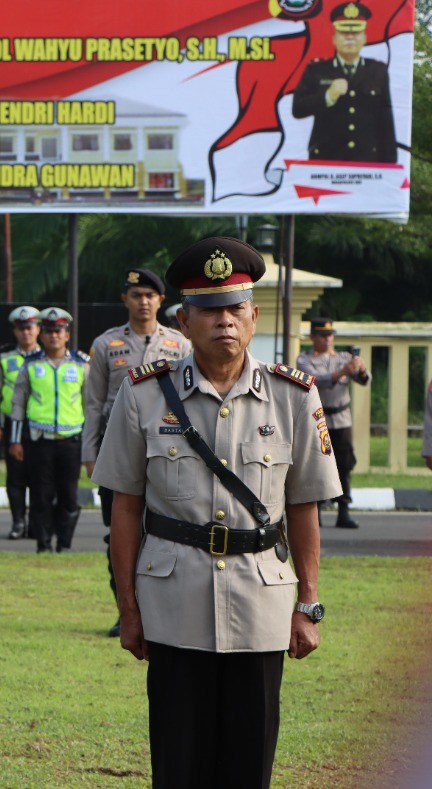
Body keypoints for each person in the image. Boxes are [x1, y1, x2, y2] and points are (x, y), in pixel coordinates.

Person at [94, 235, 339, 789]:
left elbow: (304, 508)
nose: (223, 322)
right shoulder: (143, 396)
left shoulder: (294, 397)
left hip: (261, 606)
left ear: (253, 316)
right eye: (208, 310)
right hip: (173, 605)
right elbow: (125, 510)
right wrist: (128, 608)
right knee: (179, 764)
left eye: (234, 309)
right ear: (184, 320)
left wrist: (310, 603)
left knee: (249, 765)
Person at [83, 269, 190, 636]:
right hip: (117, 453)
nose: (143, 301)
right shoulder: (105, 344)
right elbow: (93, 404)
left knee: (167, 532)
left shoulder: (181, 344)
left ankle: (162, 611)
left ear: (161, 300)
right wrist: (90, 454)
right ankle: (125, 609)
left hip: (168, 452)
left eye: (150, 295)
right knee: (120, 534)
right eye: (136, 294)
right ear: (124, 300)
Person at [9, 307, 87, 553]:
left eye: (59, 331)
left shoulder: (81, 364)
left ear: (67, 335)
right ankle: (43, 545)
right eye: (50, 331)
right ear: (42, 334)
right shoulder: (30, 365)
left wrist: (91, 443)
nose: (54, 336)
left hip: (71, 441)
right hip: (38, 441)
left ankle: (63, 545)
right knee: (41, 495)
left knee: (69, 496)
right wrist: (15, 440)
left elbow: (90, 404)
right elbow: (18, 403)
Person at [291, 1, 397, 163]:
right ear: (334, 38)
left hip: (367, 162)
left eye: (355, 32)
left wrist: (390, 166)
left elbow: (386, 120)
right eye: (343, 32)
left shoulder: (377, 71)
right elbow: (298, 109)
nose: (349, 37)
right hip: (326, 160)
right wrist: (327, 97)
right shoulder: (317, 70)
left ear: (364, 38)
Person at [296, 318, 368, 529]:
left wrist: (361, 370)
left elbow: (363, 380)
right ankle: (315, 511)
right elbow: (314, 381)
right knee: (316, 464)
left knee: (344, 465)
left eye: (329, 335)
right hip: (318, 419)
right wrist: (343, 372)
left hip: (341, 419)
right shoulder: (305, 360)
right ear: (313, 337)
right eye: (321, 335)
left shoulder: (344, 357)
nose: (327, 339)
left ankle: (343, 510)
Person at [0, 305, 41, 540]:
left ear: (38, 329)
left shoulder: (47, 355)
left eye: (30, 327)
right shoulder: (4, 356)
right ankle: (18, 521)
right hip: (12, 424)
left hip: (41, 423)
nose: (26, 332)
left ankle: (38, 524)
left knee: (41, 476)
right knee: (16, 476)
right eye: (21, 328)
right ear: (15, 331)